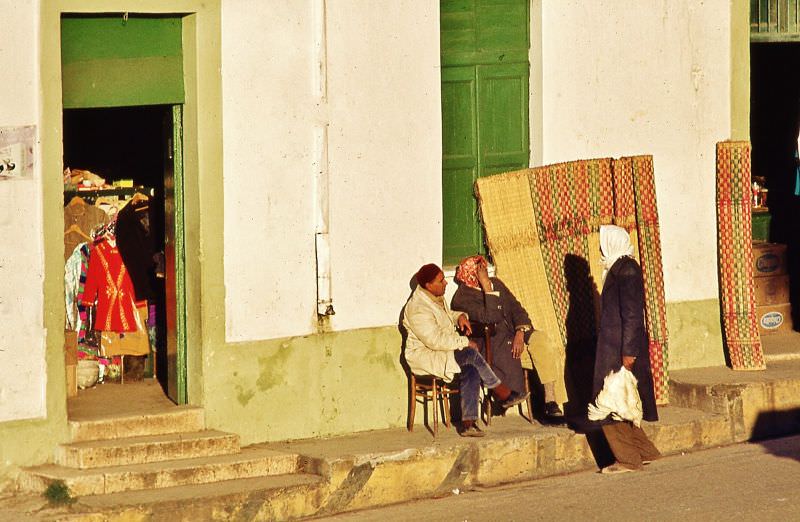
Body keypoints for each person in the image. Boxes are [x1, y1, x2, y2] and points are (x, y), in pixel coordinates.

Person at [403, 263, 529, 437]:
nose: (446, 283)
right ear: (428, 285)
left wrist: (459, 317)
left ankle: (468, 424)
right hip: (425, 356)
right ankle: (501, 391)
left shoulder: (434, 297)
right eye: (441, 281)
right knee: (470, 353)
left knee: (471, 367)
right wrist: (464, 341)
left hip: (442, 351)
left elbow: (445, 315)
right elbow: (434, 340)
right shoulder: (417, 308)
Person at [451, 255, 563, 418]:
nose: (484, 273)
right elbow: (491, 317)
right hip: (492, 340)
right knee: (505, 350)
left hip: (515, 332)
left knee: (542, 341)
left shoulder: (497, 283)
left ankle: (551, 400)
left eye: (483, 268)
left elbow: (517, 309)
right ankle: (506, 395)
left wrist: (520, 331)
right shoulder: (462, 298)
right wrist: (487, 288)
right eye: (479, 270)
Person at [593, 225, 661, 474]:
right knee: (622, 400)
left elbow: (633, 315)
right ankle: (644, 451)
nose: (600, 248)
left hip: (620, 347)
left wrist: (629, 351)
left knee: (608, 403)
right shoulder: (617, 268)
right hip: (615, 344)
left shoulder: (626, 270)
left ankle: (628, 459)